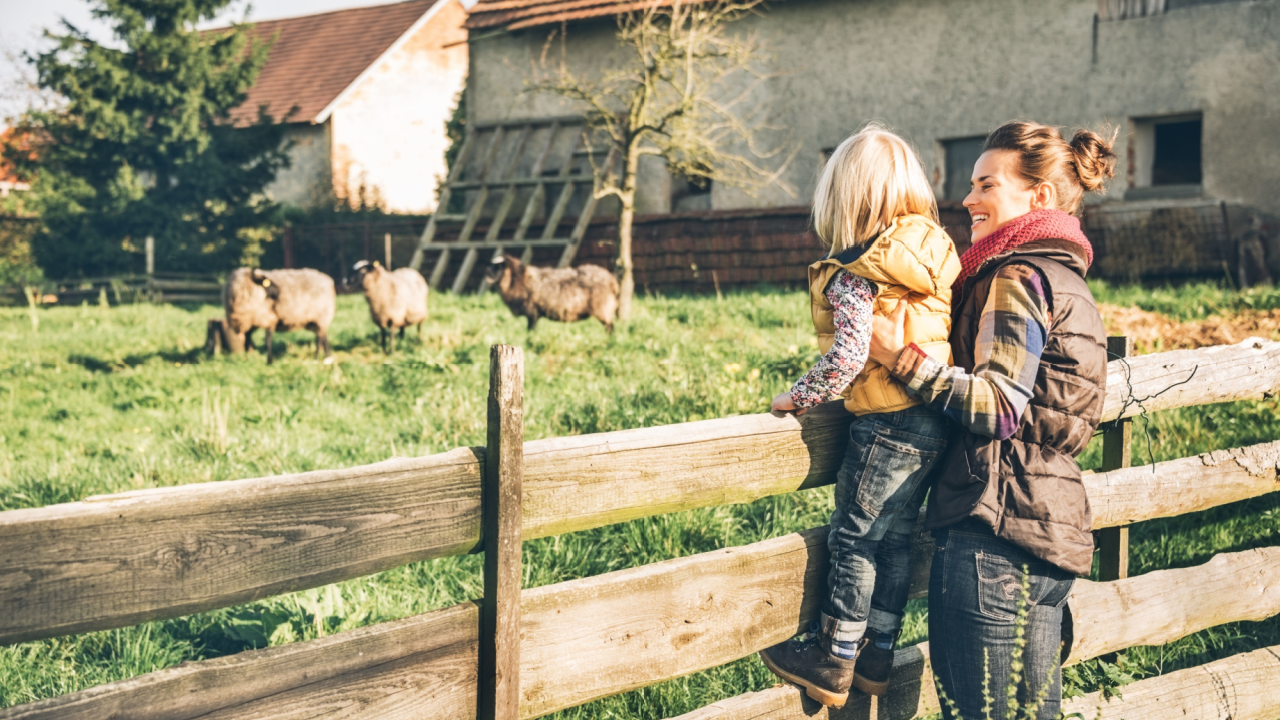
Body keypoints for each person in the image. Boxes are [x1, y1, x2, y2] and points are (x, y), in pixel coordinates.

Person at [868, 120, 1116, 719]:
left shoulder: (1017, 276)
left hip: (995, 538)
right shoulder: (1069, 282)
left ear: (1040, 198)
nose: (968, 199)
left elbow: (1000, 406)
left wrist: (898, 359)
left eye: (986, 185)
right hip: (1047, 532)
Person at [759, 124, 960, 707]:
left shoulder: (858, 269)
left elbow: (848, 354)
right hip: (933, 415)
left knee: (854, 539)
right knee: (894, 541)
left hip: (886, 418)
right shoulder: (933, 252)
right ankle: (875, 656)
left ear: (845, 200)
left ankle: (833, 657)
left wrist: (799, 396)